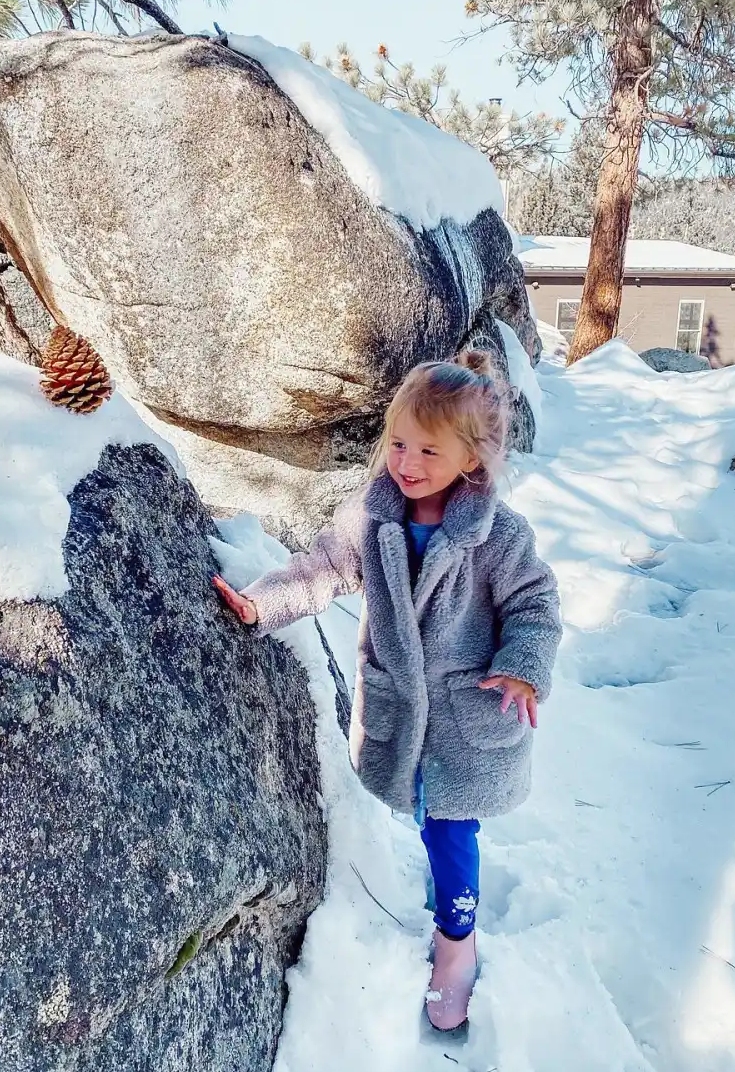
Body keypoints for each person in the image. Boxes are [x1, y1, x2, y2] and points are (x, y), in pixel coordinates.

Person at [214, 351, 561, 1035]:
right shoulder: (372, 519)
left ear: (471, 460)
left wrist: (523, 663)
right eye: (398, 442)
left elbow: (535, 602)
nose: (405, 461)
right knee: (430, 818)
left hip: (468, 716)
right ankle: (442, 895)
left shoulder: (497, 536)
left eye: (428, 449)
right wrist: (263, 604)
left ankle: (456, 943)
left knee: (453, 828)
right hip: (402, 710)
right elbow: (321, 568)